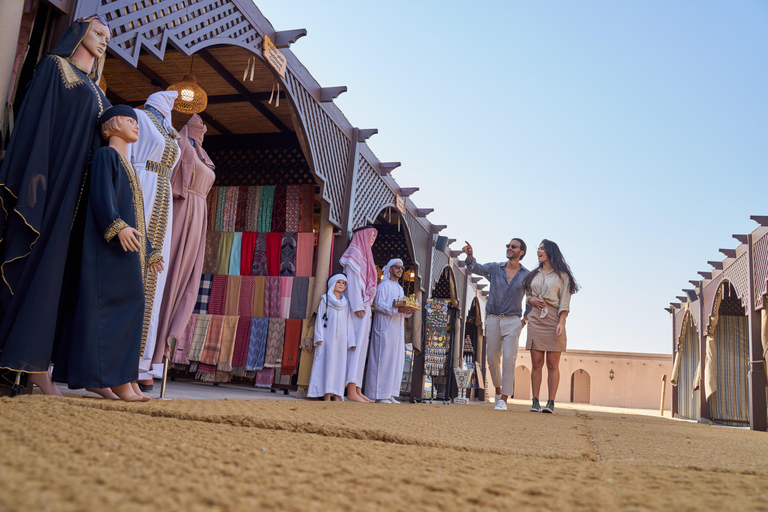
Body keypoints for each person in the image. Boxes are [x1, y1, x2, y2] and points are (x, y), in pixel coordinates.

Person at [0, 15, 112, 396]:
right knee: (39, 264)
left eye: (107, 38)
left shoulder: (96, 89)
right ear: (79, 31)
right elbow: (38, 120)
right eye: (98, 33)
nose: (102, 41)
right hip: (54, 183)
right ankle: (24, 360)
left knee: (64, 274)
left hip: (81, 196)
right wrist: (35, 172)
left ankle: (40, 362)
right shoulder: (55, 67)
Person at [53, 105, 164, 402]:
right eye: (130, 120)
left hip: (128, 247)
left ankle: (125, 378)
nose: (136, 126)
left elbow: (137, 214)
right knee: (114, 309)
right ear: (111, 126)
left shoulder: (128, 165)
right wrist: (116, 227)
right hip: (108, 246)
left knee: (133, 305)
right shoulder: (106, 156)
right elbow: (101, 196)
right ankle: (114, 380)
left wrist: (150, 250)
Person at [126, 90, 181, 391]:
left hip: (162, 197)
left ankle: (138, 362)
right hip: (141, 186)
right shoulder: (140, 118)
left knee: (153, 278)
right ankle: (117, 360)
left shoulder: (171, 132)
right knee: (133, 264)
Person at [155, 114, 216, 370]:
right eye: (197, 127)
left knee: (188, 280)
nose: (201, 130)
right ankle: (152, 351)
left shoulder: (201, 154)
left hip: (198, 215)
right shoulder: (180, 146)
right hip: (181, 210)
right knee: (170, 274)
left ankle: (162, 351)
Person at [463, 238, 531, 411]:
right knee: (492, 359)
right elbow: (475, 268)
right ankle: (498, 390)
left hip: (513, 321)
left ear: (521, 252)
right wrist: (470, 256)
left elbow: (531, 298)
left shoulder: (527, 275)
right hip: (492, 319)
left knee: (509, 359)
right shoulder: (495, 268)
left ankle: (504, 399)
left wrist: (524, 320)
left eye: (513, 246)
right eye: (508, 246)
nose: (509, 248)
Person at [522, 239, 579, 414]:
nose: (538, 251)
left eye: (542, 249)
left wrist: (562, 322)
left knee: (552, 364)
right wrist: (531, 300)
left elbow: (565, 301)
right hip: (535, 318)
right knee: (536, 362)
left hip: (554, 319)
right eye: (538, 249)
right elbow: (528, 297)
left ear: (550, 252)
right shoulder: (533, 275)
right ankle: (535, 401)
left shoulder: (563, 276)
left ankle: (551, 403)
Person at [366, 258, 414, 403]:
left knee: (396, 361)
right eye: (397, 267)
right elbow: (379, 305)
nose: (400, 269)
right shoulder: (384, 286)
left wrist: (408, 311)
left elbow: (401, 310)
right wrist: (396, 309)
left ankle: (389, 393)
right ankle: (379, 394)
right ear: (390, 269)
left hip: (397, 329)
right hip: (384, 328)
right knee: (383, 360)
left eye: (401, 267)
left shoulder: (400, 288)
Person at [339, 225, 378, 403]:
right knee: (354, 348)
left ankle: (358, 388)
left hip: (365, 307)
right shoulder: (355, 252)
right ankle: (350, 390)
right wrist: (357, 304)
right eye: (370, 236)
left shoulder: (366, 255)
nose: (372, 240)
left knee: (362, 350)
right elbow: (352, 281)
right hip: (357, 309)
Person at [307, 274, 357, 401]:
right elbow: (319, 319)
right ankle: (327, 394)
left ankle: (337, 395)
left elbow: (349, 322)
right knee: (327, 363)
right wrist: (318, 336)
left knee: (340, 365)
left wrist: (351, 341)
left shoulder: (346, 303)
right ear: (332, 283)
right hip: (327, 337)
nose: (341, 285)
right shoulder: (325, 299)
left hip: (342, 339)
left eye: (343, 283)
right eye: (338, 282)